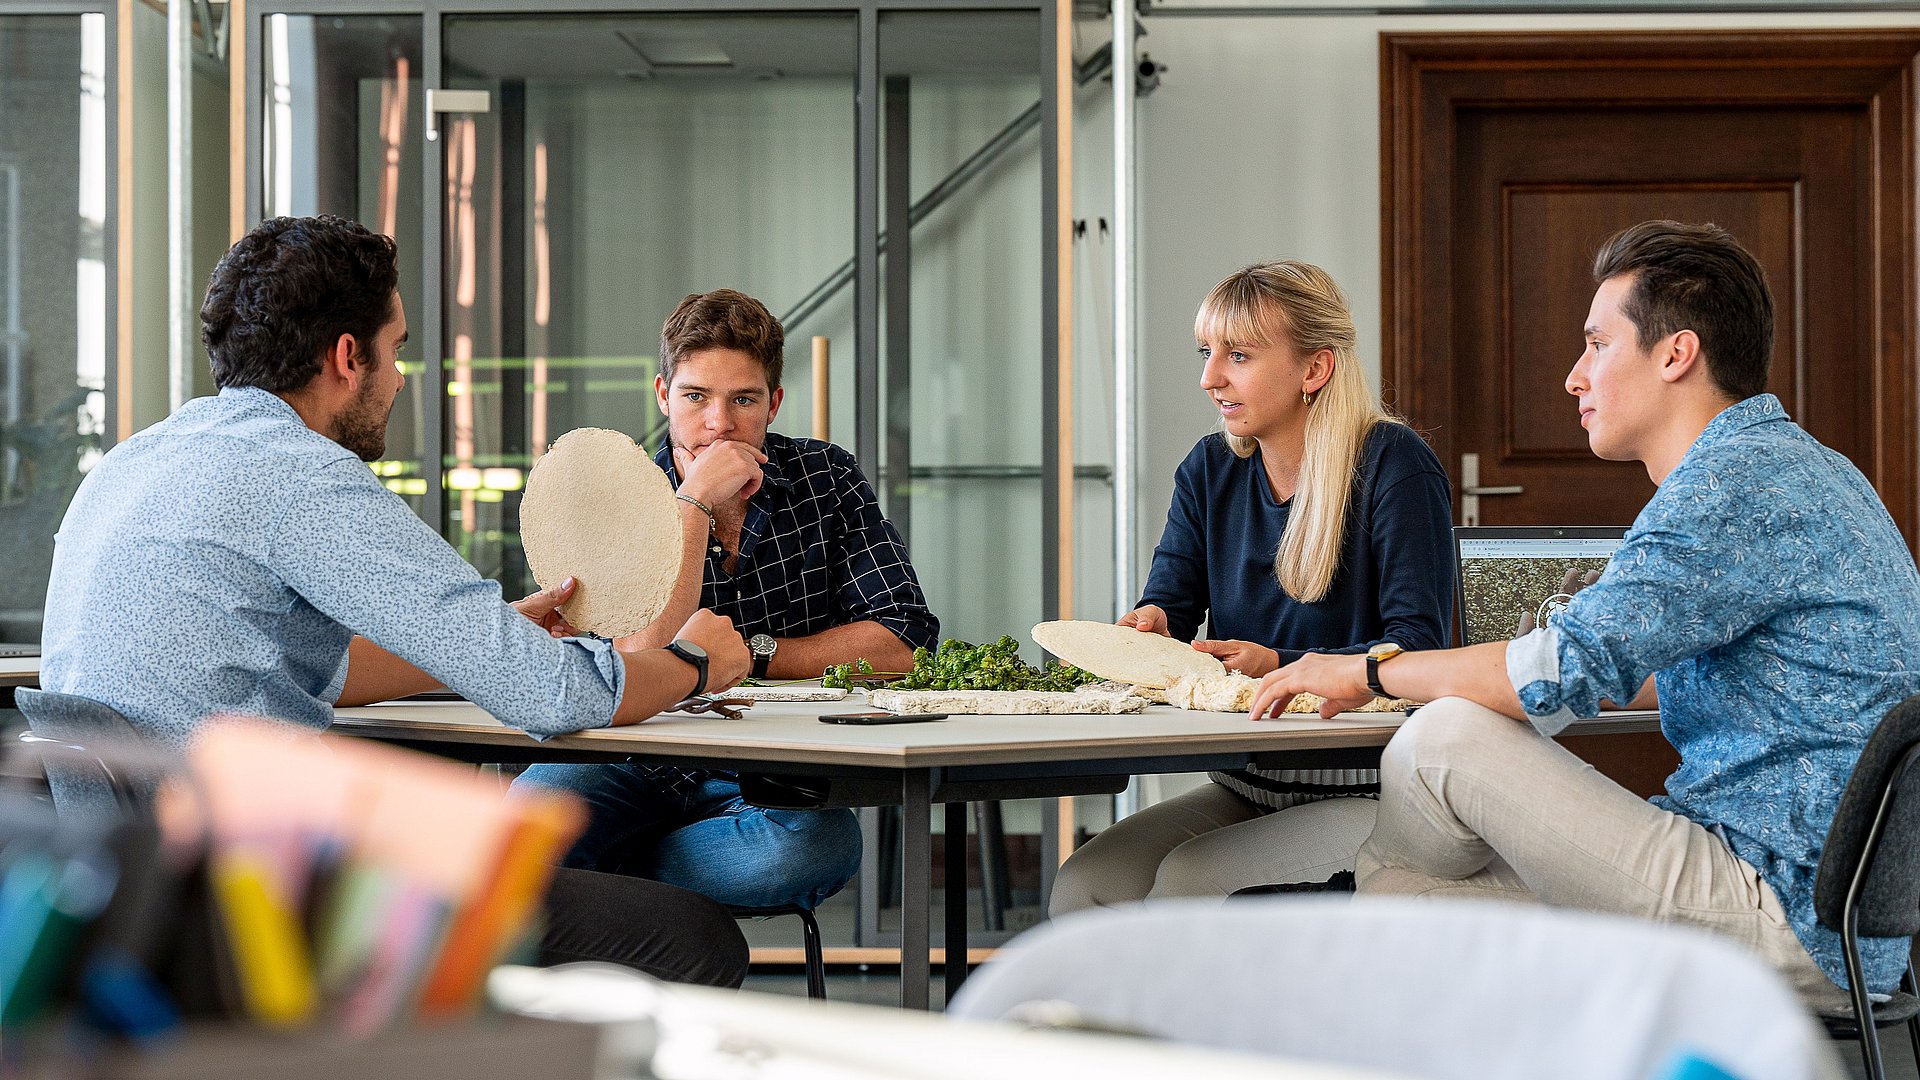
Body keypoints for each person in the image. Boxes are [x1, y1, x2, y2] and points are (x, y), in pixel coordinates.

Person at [40, 214, 754, 986]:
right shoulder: (303, 475)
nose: (402, 377)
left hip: (133, 897)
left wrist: (490, 638)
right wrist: (692, 660)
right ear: (349, 357)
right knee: (695, 935)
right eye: (399, 348)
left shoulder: (132, 462)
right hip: (262, 899)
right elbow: (554, 695)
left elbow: (318, 669)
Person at [1249, 220, 1920, 1014]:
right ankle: (1369, 906)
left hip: (1781, 915)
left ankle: (1353, 903)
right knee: (1410, 904)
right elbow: (1683, 680)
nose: (1574, 376)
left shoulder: (1726, 487)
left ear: (1676, 354)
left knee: (1445, 739)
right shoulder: (1807, 466)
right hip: (1838, 921)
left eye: (1597, 343)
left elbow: (1558, 669)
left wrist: (1367, 670)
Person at [1048, 260, 1454, 915]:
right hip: (1251, 784)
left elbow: (1417, 650)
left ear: (1314, 369)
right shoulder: (1209, 469)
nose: (1209, 378)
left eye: (1237, 355)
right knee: (1084, 889)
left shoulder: (1394, 465)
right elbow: (1172, 608)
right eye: (1208, 353)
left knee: (1186, 886)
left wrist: (1281, 667)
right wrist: (1152, 624)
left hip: (1377, 794)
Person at [514, 289, 939, 912]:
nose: (719, 423)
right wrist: (694, 503)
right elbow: (641, 655)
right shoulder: (611, 494)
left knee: (817, 849)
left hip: (771, 764)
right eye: (695, 398)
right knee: (525, 825)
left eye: (743, 400)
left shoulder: (827, 478)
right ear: (663, 395)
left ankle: (604, 884)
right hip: (633, 751)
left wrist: (754, 655)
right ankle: (620, 889)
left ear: (774, 403)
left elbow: (904, 643)